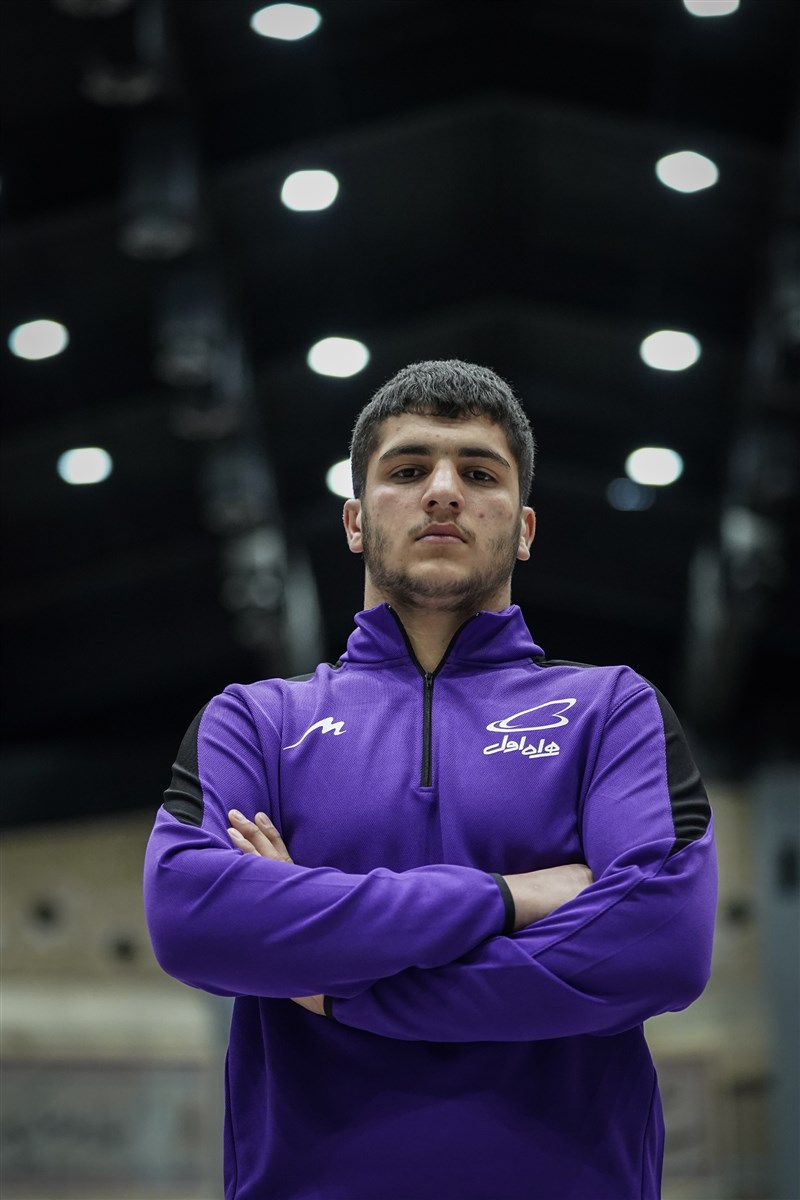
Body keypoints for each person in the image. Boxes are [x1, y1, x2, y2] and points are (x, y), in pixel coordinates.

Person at [143, 359, 717, 1200]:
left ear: (523, 528)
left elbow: (660, 945)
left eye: (479, 474)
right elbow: (193, 920)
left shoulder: (612, 712)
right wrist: (511, 899)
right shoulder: (257, 722)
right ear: (355, 520)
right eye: (408, 470)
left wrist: (341, 989)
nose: (443, 491)